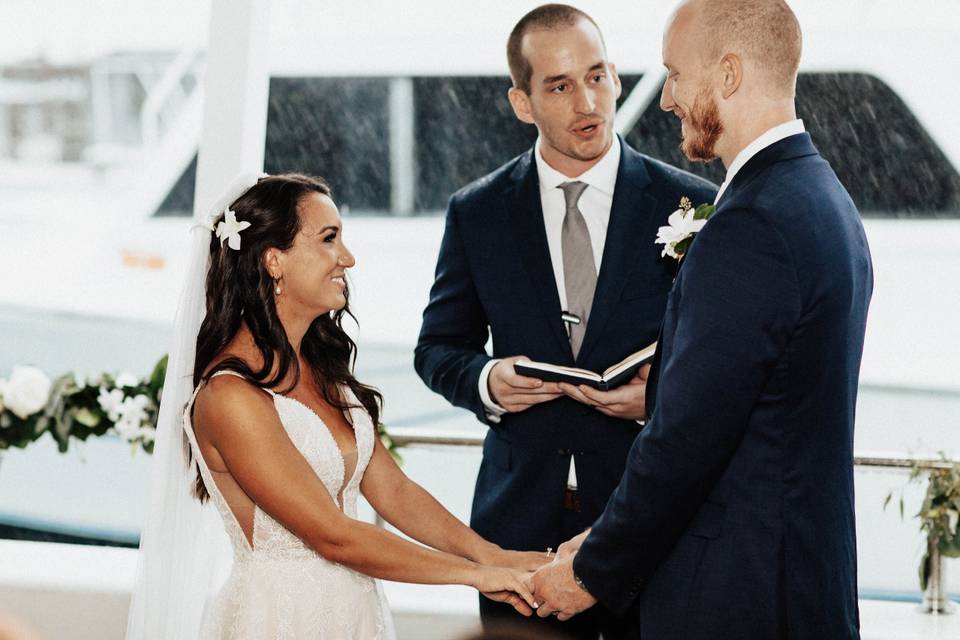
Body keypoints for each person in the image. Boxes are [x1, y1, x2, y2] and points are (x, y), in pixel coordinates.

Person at [530, 1, 874, 638]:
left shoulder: (753, 224)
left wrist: (590, 571)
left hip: (739, 595)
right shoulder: (820, 196)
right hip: (795, 578)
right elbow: (761, 402)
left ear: (729, 74)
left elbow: (689, 441)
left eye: (675, 74)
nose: (666, 99)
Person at [126, 174, 545, 640]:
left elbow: (395, 492)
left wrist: (488, 554)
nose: (348, 258)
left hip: (353, 611)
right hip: (280, 621)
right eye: (329, 239)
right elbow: (333, 534)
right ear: (273, 261)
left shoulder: (322, 368)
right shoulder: (229, 397)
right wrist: (476, 577)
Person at [414, 4, 715, 638]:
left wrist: (654, 401)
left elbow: (720, 367)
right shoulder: (478, 212)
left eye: (599, 75)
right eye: (559, 85)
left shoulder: (694, 205)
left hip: (649, 523)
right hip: (516, 531)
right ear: (522, 102)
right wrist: (487, 382)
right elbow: (439, 347)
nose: (589, 100)